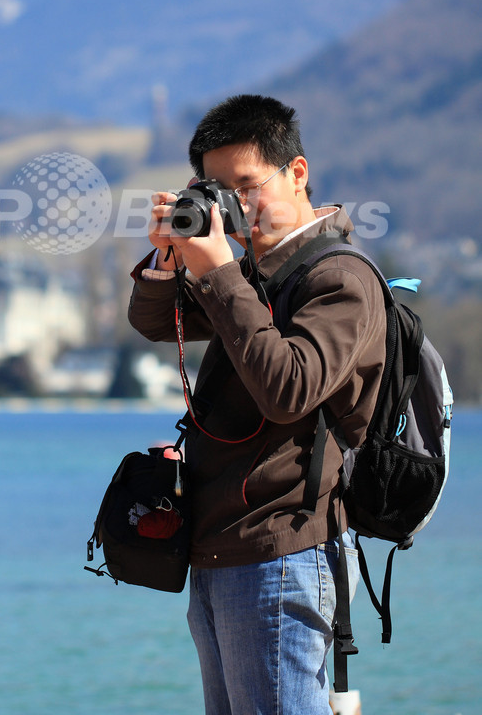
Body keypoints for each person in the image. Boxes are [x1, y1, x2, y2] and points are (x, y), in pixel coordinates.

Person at [128, 94, 386, 715]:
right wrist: (172, 258)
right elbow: (155, 323)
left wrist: (219, 271)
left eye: (247, 186)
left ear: (297, 173)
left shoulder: (340, 280)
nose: (235, 208)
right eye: (218, 193)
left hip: (284, 550)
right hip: (221, 547)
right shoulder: (255, 274)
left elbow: (288, 388)